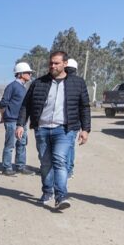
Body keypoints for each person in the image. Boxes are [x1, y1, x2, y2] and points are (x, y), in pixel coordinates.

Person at [16, 52, 90, 210]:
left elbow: (84, 107)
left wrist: (85, 129)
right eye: (51, 63)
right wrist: (20, 124)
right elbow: (26, 105)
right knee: (45, 163)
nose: (52, 66)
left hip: (65, 130)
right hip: (42, 129)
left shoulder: (77, 83)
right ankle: (47, 191)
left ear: (65, 64)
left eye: (56, 63)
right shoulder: (39, 83)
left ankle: (61, 195)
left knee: (59, 161)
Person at [0, 62, 34, 175]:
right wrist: (4, 117)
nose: (30, 74)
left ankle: (20, 166)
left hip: (21, 122)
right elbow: (3, 103)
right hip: (12, 121)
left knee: (22, 144)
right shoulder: (12, 86)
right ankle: (7, 168)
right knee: (10, 145)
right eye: (28, 72)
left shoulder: (24, 88)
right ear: (20, 74)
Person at [64, 58, 79, 178]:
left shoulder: (61, 82)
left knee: (62, 146)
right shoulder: (80, 82)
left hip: (63, 121)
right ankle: (69, 170)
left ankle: (65, 169)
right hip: (75, 122)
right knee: (70, 146)